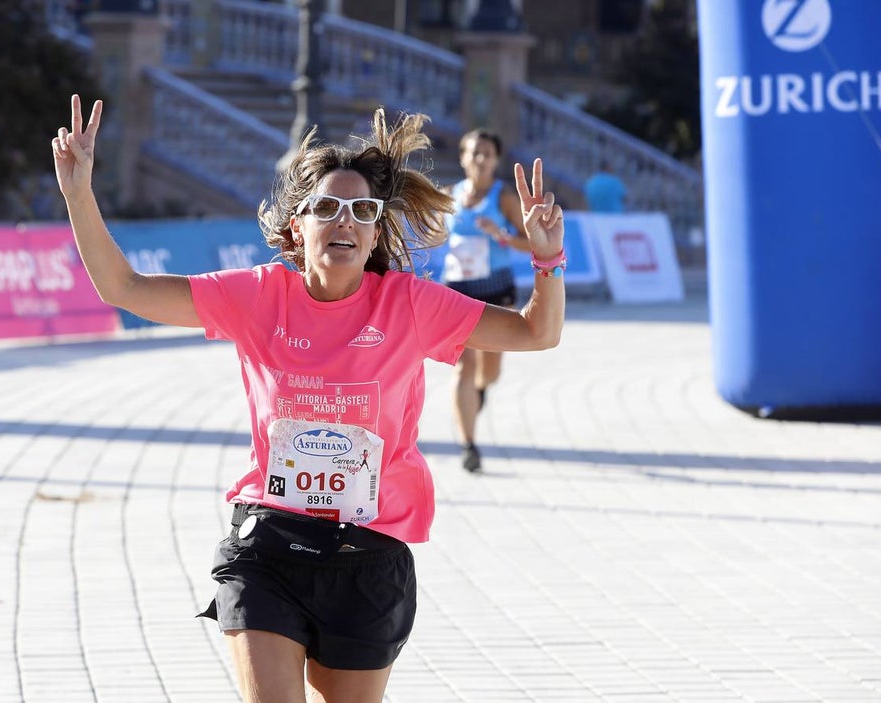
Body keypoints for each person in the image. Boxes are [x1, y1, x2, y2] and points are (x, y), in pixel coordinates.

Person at [52, 94, 565, 703]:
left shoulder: (409, 303)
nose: (344, 220)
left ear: (376, 228)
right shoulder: (259, 296)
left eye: (361, 209)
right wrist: (79, 194)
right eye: (326, 206)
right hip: (269, 544)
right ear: (299, 223)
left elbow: (538, 332)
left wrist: (546, 258)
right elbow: (125, 287)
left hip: (369, 554)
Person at [442, 128, 533, 473]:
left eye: (487, 154)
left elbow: (531, 242)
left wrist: (501, 236)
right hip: (457, 291)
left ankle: (482, 390)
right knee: (463, 366)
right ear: (463, 158)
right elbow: (432, 234)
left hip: (496, 291)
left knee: (489, 371)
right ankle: (469, 444)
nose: (480, 159)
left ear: (496, 160)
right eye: (474, 153)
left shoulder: (503, 197)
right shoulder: (449, 195)